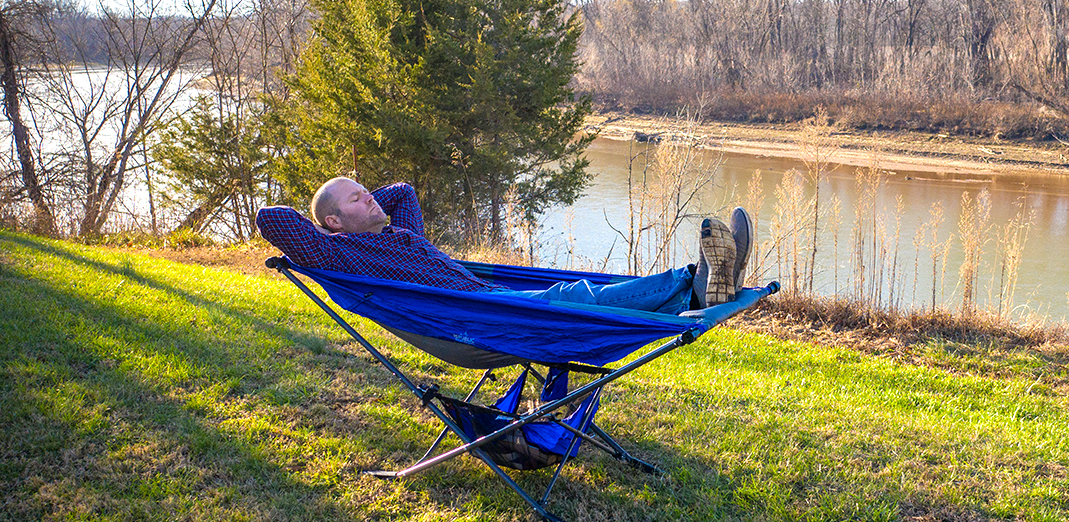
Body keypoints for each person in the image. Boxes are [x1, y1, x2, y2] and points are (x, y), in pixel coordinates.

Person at [256, 178, 752, 313]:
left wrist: (360, 207)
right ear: (334, 225)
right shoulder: (343, 252)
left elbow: (402, 191)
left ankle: (705, 286)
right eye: (356, 199)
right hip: (471, 312)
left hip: (481, 297)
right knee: (572, 298)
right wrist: (329, 228)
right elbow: (272, 219)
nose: (370, 196)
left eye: (365, 189)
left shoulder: (398, 231)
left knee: (576, 289)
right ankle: (697, 283)